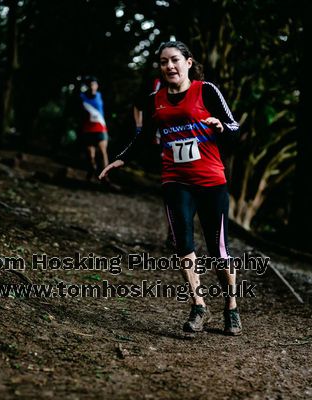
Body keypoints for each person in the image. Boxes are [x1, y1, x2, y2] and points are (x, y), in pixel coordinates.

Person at [100, 41, 242, 335]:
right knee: (184, 247)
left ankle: (231, 308)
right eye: (164, 62)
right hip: (176, 182)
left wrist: (220, 127)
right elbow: (144, 136)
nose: (169, 66)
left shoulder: (206, 91)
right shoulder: (156, 99)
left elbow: (234, 127)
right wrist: (121, 159)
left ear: (188, 62)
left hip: (211, 182)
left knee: (218, 251)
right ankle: (198, 306)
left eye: (175, 60)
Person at [79, 76, 110, 180]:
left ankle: (105, 177)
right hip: (88, 129)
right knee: (90, 156)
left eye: (94, 84)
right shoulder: (81, 97)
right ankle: (91, 172)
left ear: (97, 86)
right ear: (87, 86)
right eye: (90, 85)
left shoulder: (100, 95)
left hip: (101, 128)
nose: (92, 87)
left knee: (103, 152)